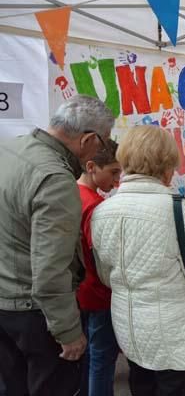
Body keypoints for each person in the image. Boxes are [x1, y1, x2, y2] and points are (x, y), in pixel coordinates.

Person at [91, 125, 185, 396]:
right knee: (173, 387)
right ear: (166, 165)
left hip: (127, 322)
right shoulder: (178, 210)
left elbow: (105, 275)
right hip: (171, 329)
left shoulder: (102, 211)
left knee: (140, 384)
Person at [0, 95, 113, 396]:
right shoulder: (55, 178)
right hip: (35, 313)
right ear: (89, 139)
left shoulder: (10, 149)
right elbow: (51, 269)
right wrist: (68, 332)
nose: (101, 151)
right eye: (102, 145)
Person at [77, 139, 121, 396]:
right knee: (102, 361)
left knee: (88, 357)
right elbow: (102, 258)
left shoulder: (74, 193)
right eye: (113, 172)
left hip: (81, 290)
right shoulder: (94, 206)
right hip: (98, 293)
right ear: (92, 167)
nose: (116, 180)